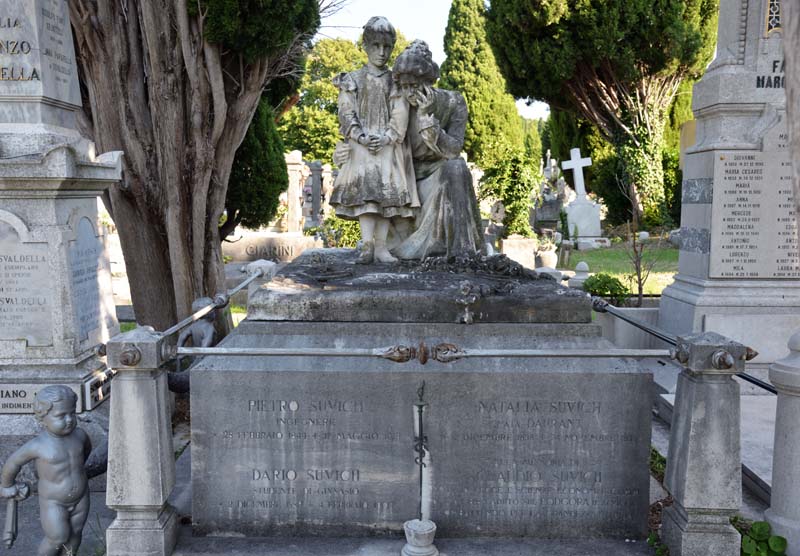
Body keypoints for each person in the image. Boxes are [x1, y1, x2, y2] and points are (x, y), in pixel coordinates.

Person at [329, 16, 418, 264]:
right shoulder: (353, 79)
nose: (382, 52)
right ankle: (367, 245)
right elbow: (346, 112)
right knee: (366, 196)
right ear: (366, 46)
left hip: (388, 145)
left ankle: (380, 247)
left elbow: (400, 113)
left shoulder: (395, 81)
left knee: (386, 197)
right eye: (376, 46)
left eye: (387, 47)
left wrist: (388, 136)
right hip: (362, 145)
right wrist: (360, 136)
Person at [0, 385, 91, 556]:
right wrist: (7, 485)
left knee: (75, 533)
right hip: (53, 501)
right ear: (42, 419)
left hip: (81, 497)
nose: (69, 419)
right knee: (57, 537)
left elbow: (85, 451)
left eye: (72, 413)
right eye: (61, 416)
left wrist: (78, 472)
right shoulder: (38, 445)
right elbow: (13, 462)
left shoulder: (80, 435)